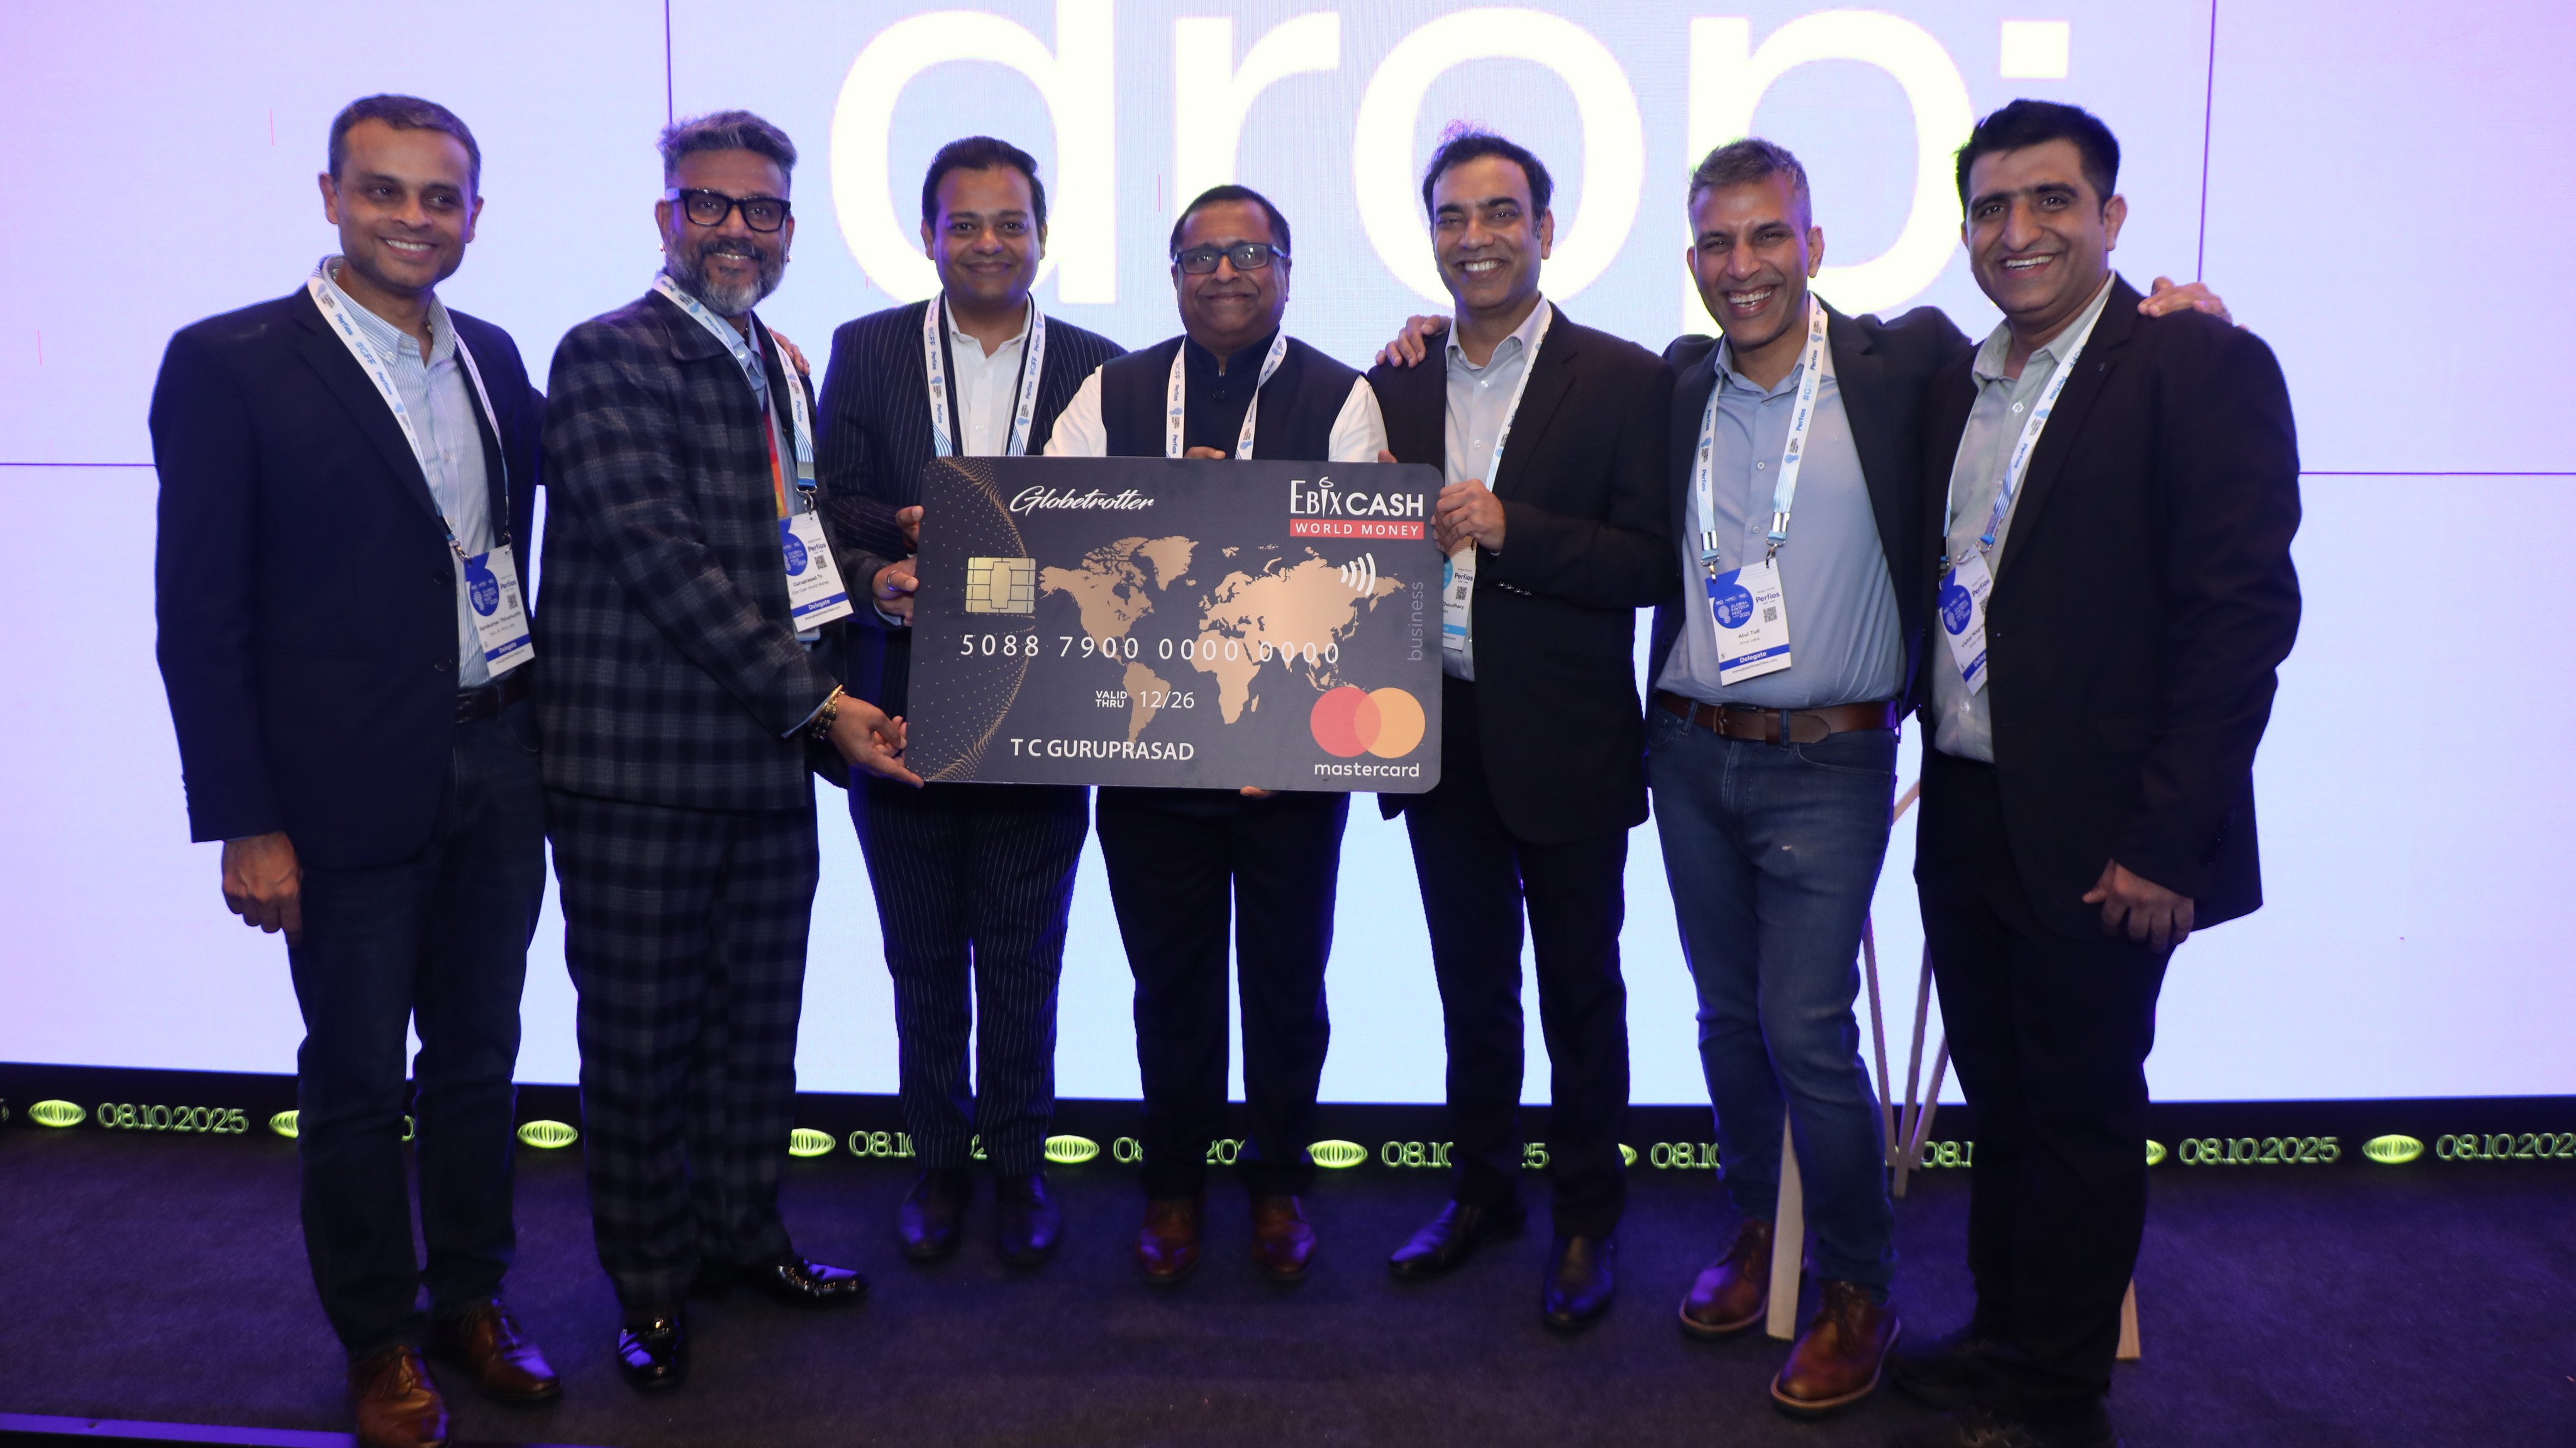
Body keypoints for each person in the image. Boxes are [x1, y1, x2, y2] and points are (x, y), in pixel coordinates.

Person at [1887, 101, 2300, 1448]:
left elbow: (2240, 619)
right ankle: (2003, 1335)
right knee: (2006, 1106)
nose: (2018, 231)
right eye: (1991, 208)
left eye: (2051, 201)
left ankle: (2058, 1402)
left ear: (2110, 217)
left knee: (2079, 1112)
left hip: (2107, 831)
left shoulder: (2195, 363)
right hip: (1967, 803)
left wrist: (2167, 843)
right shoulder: (1959, 379)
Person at [150, 94, 558, 1448]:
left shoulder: (494, 356)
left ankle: (472, 1299)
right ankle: (378, 1338)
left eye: (439, 197)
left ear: (475, 215)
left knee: (481, 1060)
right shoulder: (229, 362)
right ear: (330, 196)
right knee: (356, 1081)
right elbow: (199, 617)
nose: (412, 218)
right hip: (337, 796)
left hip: (498, 753)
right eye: (384, 190)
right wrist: (244, 820)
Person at [537, 109, 918, 1393]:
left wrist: (868, 594)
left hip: (765, 761)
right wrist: (824, 705)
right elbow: (665, 561)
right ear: (667, 217)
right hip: (640, 774)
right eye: (710, 204)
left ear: (790, 229)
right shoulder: (607, 353)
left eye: (762, 210)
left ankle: (745, 1237)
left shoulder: (776, 364)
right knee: (641, 1044)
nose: (736, 229)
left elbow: (788, 547)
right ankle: (649, 1286)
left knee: (758, 1031)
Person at [1044, 183, 1388, 1286]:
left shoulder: (1343, 397)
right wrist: (1163, 504)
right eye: (1203, 256)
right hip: (1147, 756)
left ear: (1286, 270)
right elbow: (1055, 536)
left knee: (1287, 986)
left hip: (1287, 766)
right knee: (1171, 990)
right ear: (1174, 276)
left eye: (1251, 254)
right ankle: (1175, 1185)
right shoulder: (1112, 392)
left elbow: (1364, 584)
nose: (1227, 273)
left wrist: (1242, 518)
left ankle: (1279, 1181)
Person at [1363, 130, 1674, 1332]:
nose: (1476, 236)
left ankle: (1588, 1217)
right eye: (1453, 217)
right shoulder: (1394, 379)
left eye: (1500, 214)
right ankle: (1482, 1192)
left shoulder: (1624, 378)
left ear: (1545, 230)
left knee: (1582, 994)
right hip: (1436, 729)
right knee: (1471, 987)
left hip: (1569, 738)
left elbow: (1650, 564)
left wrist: (1512, 530)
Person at [814, 136, 1124, 1267]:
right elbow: (828, 504)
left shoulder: (1098, 365)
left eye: (1011, 223)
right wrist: (883, 561)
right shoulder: (867, 349)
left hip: (1045, 706)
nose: (989, 242)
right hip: (897, 702)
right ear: (928, 234)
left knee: (1027, 954)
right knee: (922, 952)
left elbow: (1123, 530)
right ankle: (938, 1161)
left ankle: (1019, 1163)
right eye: (965, 223)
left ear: (1042, 234)